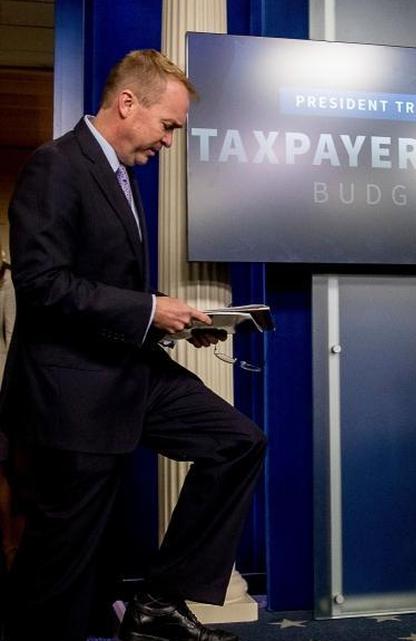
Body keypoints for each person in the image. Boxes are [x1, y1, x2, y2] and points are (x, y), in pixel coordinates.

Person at [0, 49, 266, 641]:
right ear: (127, 103)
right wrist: (148, 309)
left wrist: (171, 319)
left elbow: (103, 282)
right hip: (71, 390)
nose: (169, 141)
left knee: (237, 443)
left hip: (130, 369)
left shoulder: (123, 170)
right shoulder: (56, 165)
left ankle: (159, 603)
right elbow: (42, 284)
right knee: (59, 576)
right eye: (168, 125)